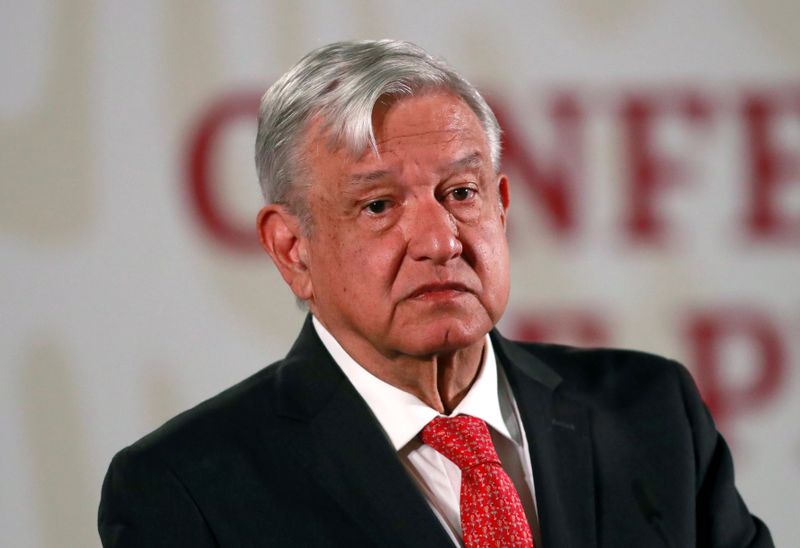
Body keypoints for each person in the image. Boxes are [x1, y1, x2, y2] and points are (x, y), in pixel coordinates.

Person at [98, 40, 773, 547]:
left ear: (502, 207)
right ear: (291, 248)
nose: (441, 241)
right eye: (379, 206)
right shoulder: (187, 492)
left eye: (460, 193)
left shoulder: (653, 415)